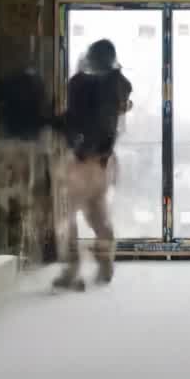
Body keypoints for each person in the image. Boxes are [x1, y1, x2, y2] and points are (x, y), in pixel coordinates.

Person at [52, 39, 132, 291]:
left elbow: (74, 119)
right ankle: (105, 262)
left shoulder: (80, 83)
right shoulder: (120, 84)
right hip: (105, 161)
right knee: (97, 213)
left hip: (83, 159)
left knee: (66, 213)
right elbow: (121, 107)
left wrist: (55, 123)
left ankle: (72, 269)